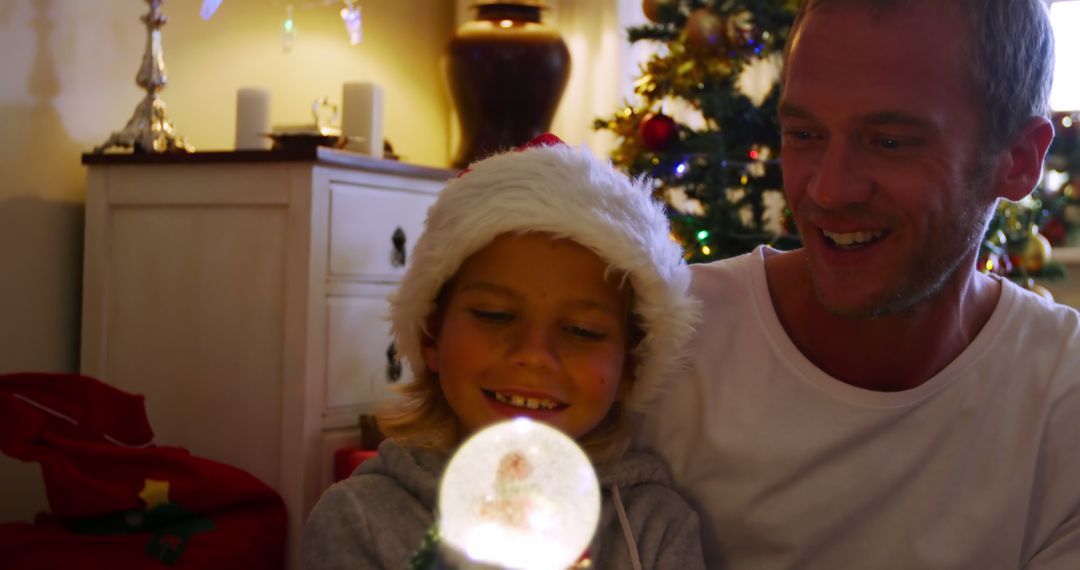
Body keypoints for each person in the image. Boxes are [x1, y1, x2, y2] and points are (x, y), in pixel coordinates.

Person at [639, 0, 1080, 568]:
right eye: (803, 133)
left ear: (1018, 160)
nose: (827, 190)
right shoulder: (660, 343)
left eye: (890, 142)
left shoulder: (1062, 399)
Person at [302, 134, 706, 569]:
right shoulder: (359, 518)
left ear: (630, 366)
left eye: (582, 331)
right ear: (431, 336)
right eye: (494, 315)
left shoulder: (654, 526)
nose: (534, 354)